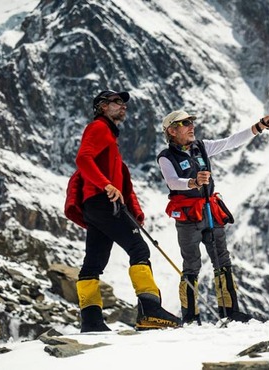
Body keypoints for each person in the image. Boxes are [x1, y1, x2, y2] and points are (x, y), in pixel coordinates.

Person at [68, 90, 181, 332]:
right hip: (103, 201)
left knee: (93, 263)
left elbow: (119, 177)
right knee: (138, 248)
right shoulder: (98, 128)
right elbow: (83, 159)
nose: (123, 106)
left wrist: (134, 210)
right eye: (117, 102)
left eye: (123, 103)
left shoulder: (108, 135)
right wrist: (106, 184)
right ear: (102, 107)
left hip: (94, 205)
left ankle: (91, 321)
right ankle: (150, 311)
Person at [156, 110, 269, 324]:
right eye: (185, 123)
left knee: (222, 259)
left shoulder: (201, 147)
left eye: (192, 121)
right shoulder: (166, 157)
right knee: (192, 264)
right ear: (171, 130)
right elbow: (172, 182)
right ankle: (190, 317)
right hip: (188, 217)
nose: (191, 126)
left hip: (209, 210)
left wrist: (260, 125)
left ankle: (230, 312)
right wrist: (194, 182)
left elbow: (232, 141)